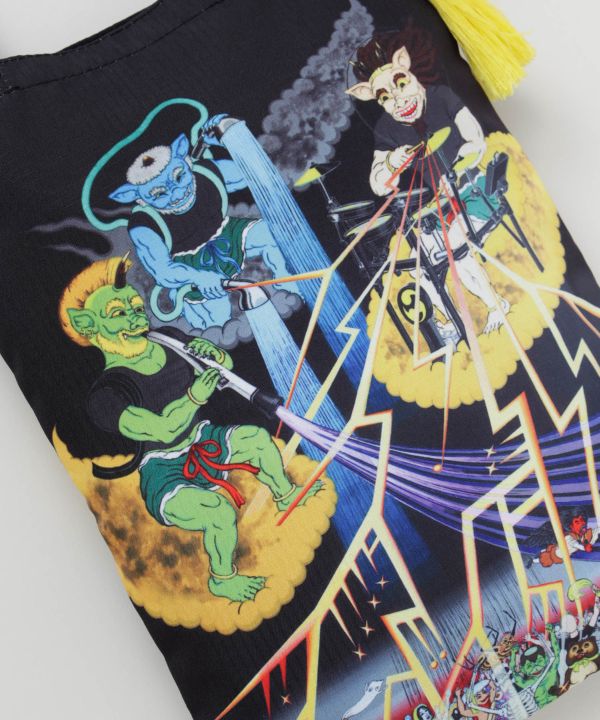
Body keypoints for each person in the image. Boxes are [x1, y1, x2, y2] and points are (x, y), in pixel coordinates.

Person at [59, 255, 319, 602]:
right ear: (88, 325)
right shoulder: (106, 395)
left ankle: (286, 495)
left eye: (135, 307)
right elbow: (163, 430)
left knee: (257, 440)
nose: (135, 316)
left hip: (202, 438)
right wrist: (194, 397)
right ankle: (222, 578)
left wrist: (214, 354)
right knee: (217, 512)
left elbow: (222, 371)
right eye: (118, 314)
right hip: (164, 471)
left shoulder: (168, 339)